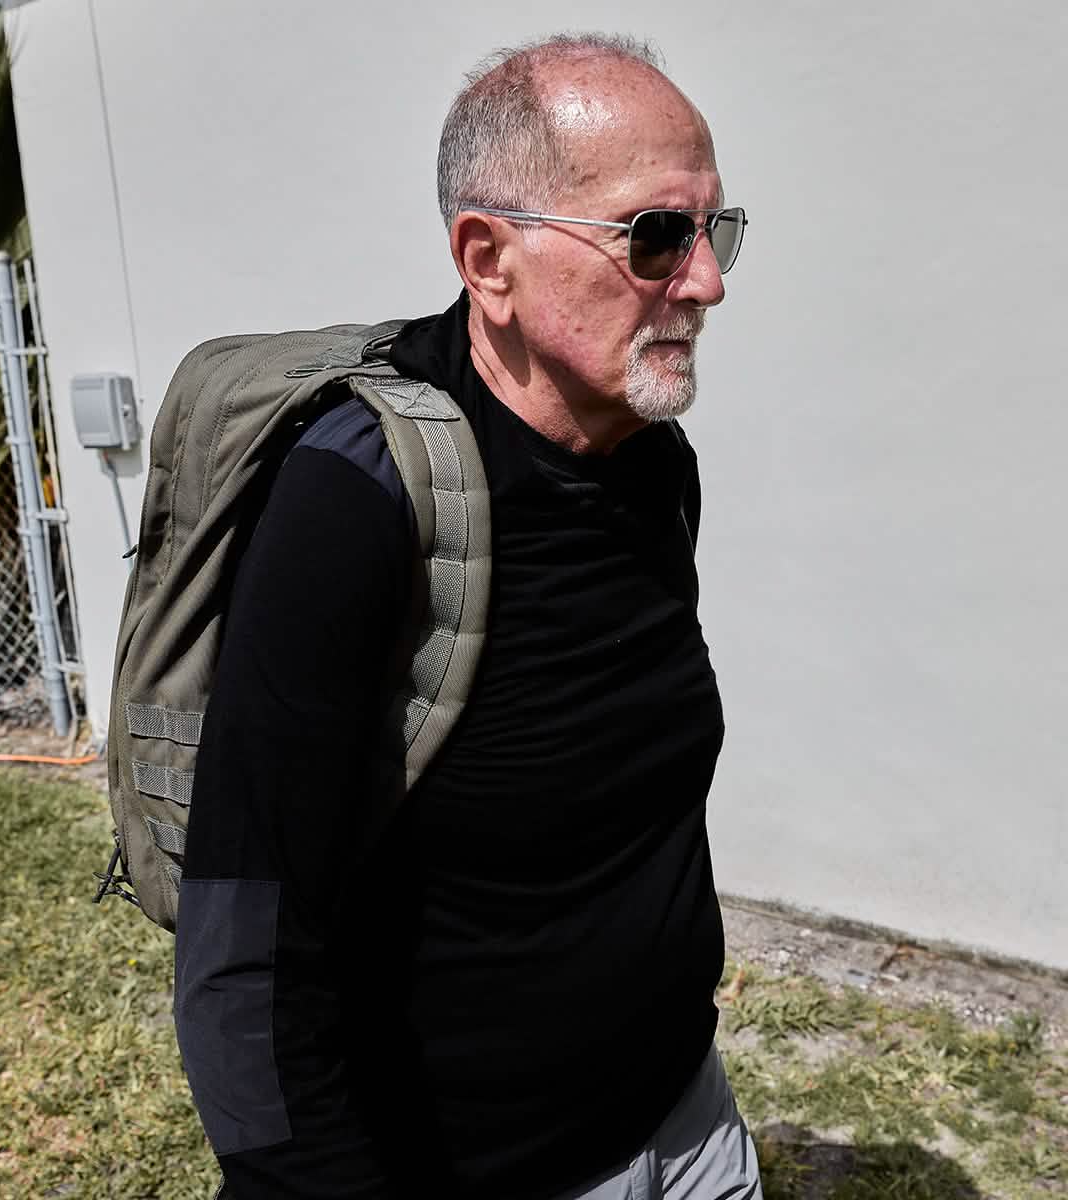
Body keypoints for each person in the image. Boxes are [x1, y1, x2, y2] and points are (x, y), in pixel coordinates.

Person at [174, 32, 760, 1200]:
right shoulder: (356, 496)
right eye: (656, 235)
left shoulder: (653, 463)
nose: (705, 281)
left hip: (687, 1120)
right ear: (488, 259)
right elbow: (244, 935)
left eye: (714, 229)